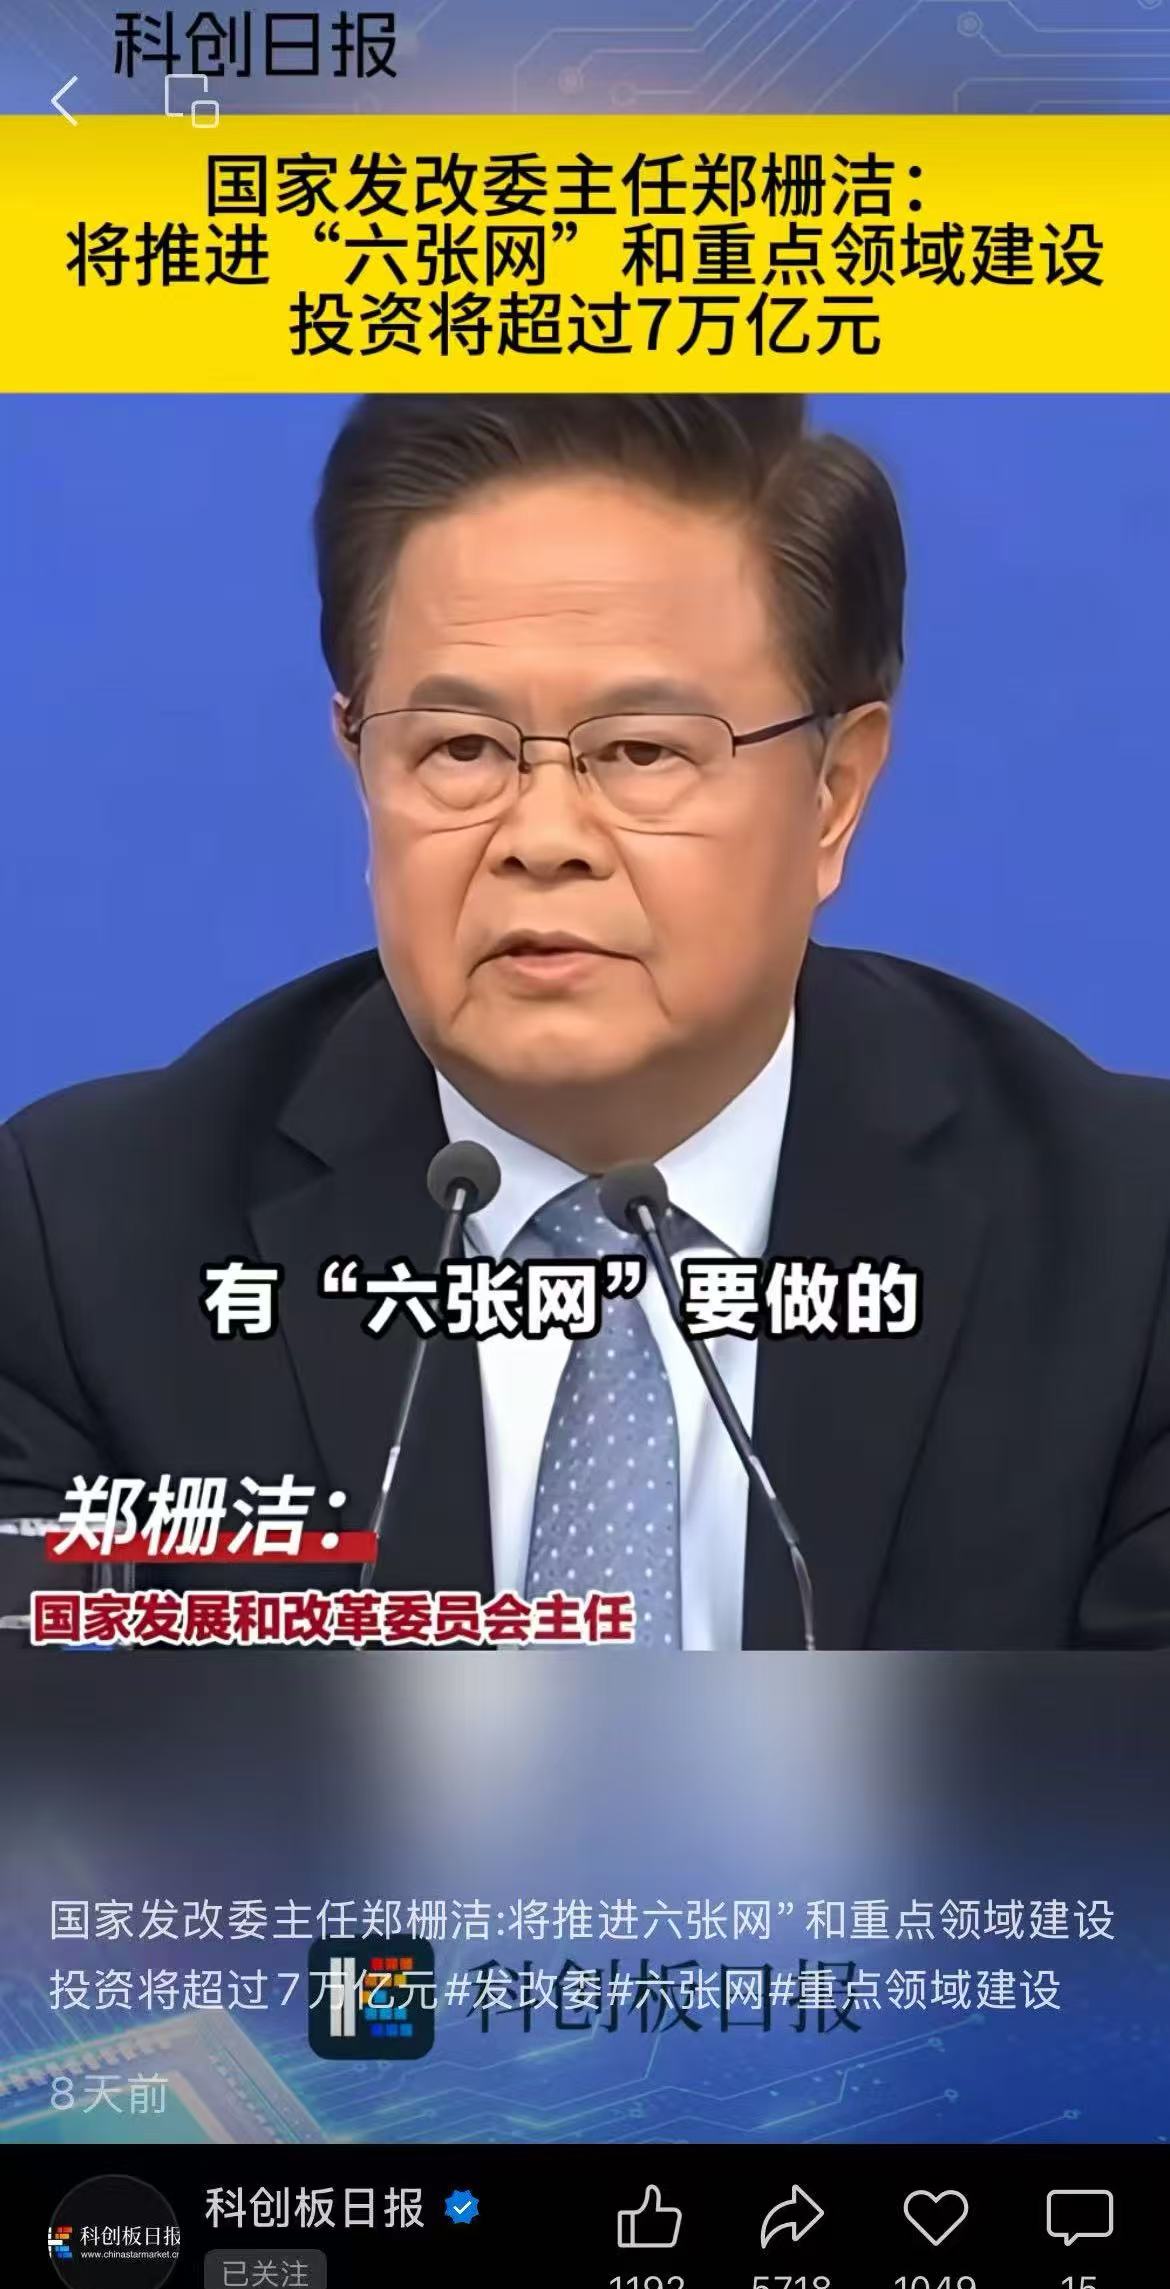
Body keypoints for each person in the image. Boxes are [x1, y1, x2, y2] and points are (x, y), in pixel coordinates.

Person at [2, 393, 1168, 1648]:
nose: (543, 838)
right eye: (460, 748)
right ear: (359, 759)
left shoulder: (1127, 1247)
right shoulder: (84, 1254)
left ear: (834, 789)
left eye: (642, 751)